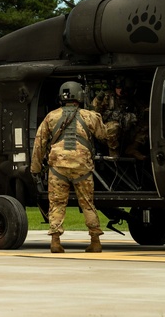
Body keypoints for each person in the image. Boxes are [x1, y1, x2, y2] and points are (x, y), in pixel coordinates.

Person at [30, 81, 114, 254]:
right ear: (80, 97)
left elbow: (39, 144)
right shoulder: (89, 116)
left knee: (57, 204)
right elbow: (103, 135)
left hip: (57, 168)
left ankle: (55, 241)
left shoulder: (51, 117)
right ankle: (95, 240)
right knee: (88, 204)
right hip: (82, 167)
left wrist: (36, 169)